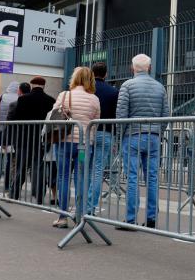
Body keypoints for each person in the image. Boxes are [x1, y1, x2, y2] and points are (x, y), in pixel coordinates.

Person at [116, 54, 169, 228]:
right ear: (150, 67)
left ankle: (130, 219)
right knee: (152, 178)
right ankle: (152, 218)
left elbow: (121, 113)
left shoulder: (127, 85)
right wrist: (158, 132)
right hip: (153, 136)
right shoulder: (160, 87)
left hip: (132, 135)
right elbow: (165, 115)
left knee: (132, 177)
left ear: (132, 68)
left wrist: (120, 135)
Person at [50, 67, 101, 227]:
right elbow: (95, 123)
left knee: (63, 177)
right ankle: (80, 215)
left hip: (64, 142)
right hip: (84, 146)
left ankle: (63, 217)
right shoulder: (94, 99)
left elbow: (53, 115)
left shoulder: (64, 95)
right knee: (81, 178)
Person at [9, 77, 56, 204]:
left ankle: (14, 194)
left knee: (21, 167)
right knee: (39, 168)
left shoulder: (23, 99)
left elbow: (17, 118)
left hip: (24, 138)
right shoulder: (51, 100)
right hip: (41, 139)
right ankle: (39, 197)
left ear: (32, 85)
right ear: (44, 86)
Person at [87, 61, 118, 213]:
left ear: (92, 73)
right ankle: (90, 206)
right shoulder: (113, 92)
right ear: (106, 74)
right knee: (98, 170)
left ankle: (82, 202)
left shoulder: (87, 90)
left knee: (84, 167)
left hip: (87, 132)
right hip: (106, 133)